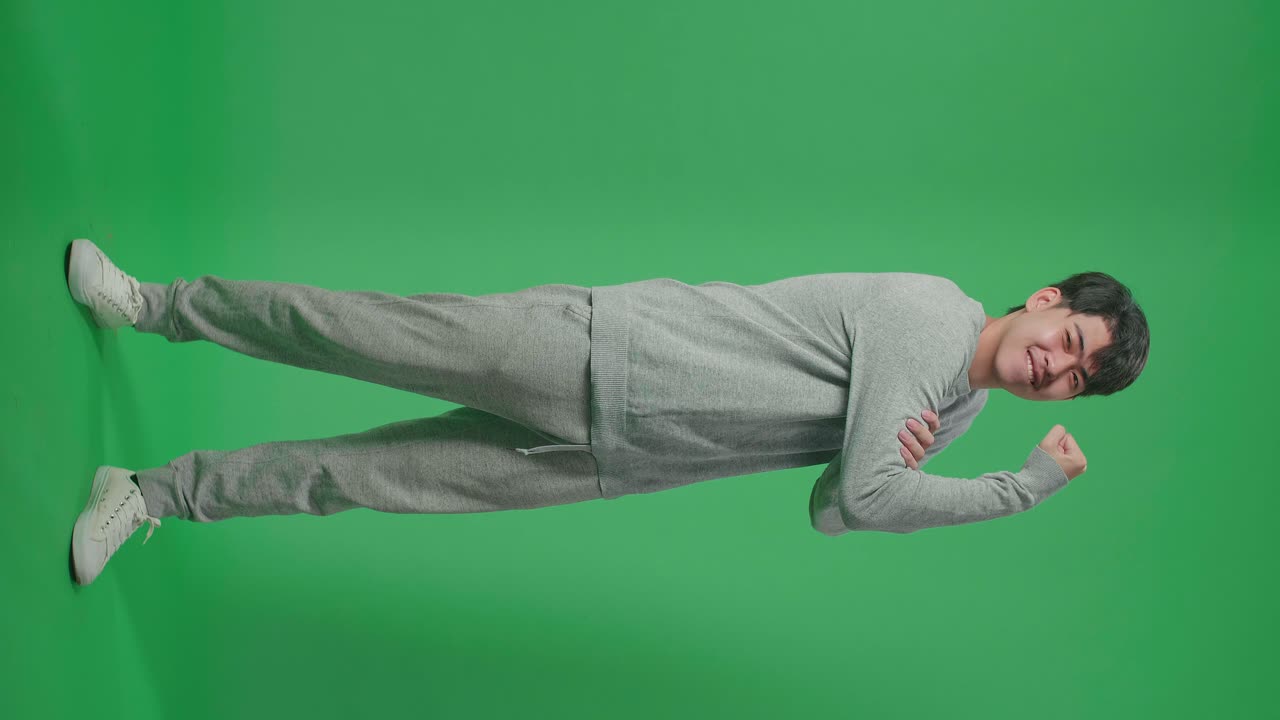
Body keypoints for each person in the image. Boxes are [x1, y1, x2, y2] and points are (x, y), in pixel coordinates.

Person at [64, 238, 1149, 585]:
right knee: (353, 329)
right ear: (1046, 301)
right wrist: (1017, 489)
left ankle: (154, 494)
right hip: (589, 354)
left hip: (610, 458)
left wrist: (899, 475)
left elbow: (833, 511)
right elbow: (868, 495)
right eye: (1067, 339)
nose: (1054, 366)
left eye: (1071, 378)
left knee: (355, 480)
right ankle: (151, 305)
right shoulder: (926, 320)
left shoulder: (949, 415)